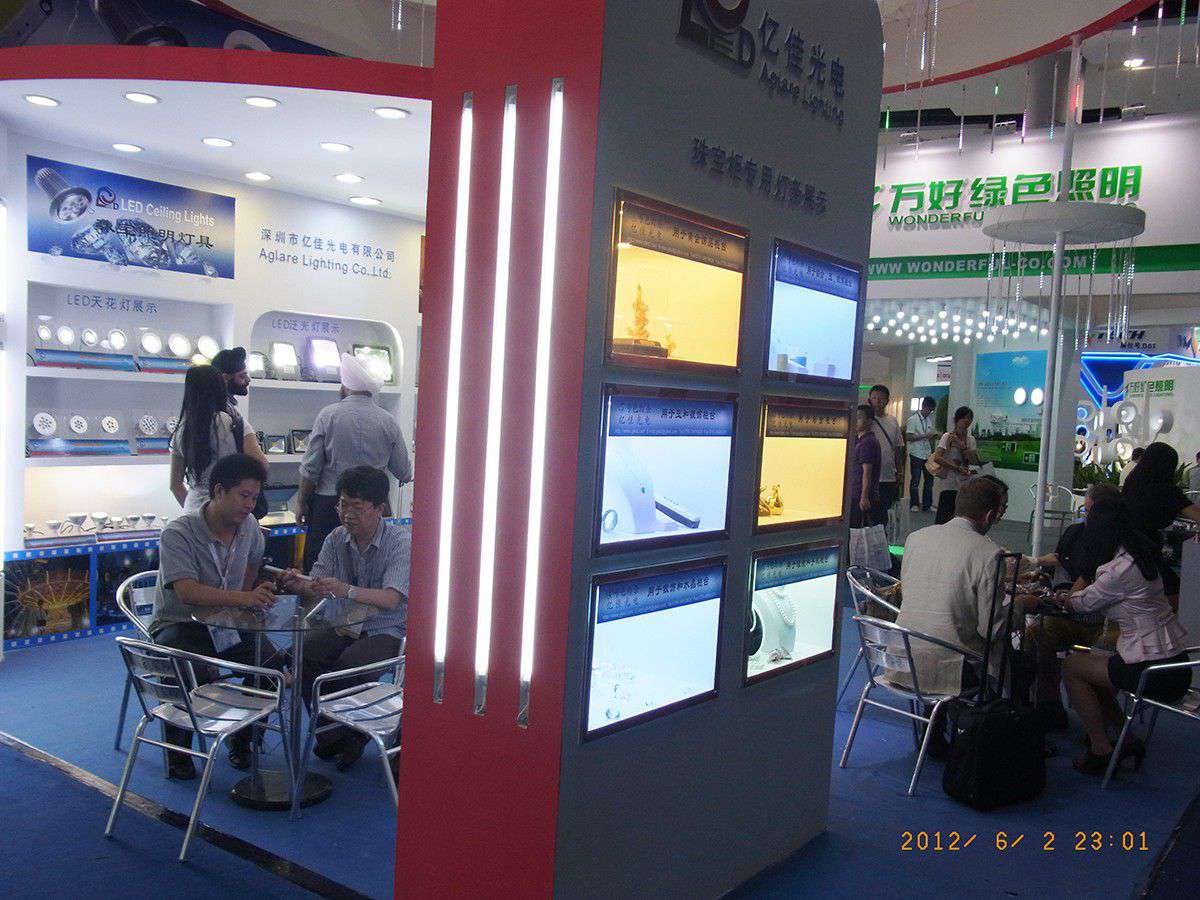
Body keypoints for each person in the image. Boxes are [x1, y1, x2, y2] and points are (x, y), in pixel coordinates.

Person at [151, 454, 277, 779]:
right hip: (180, 623)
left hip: (225, 622)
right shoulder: (178, 533)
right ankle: (179, 753)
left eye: (254, 497)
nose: (250, 505)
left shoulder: (250, 528)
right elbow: (188, 592)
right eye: (244, 495)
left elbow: (254, 561)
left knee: (272, 665)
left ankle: (242, 739)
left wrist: (249, 597)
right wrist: (244, 597)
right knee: (185, 663)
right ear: (219, 491)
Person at [279, 466, 409, 771]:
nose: (347, 515)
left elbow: (391, 599)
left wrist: (347, 590)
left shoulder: (399, 542)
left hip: (388, 629)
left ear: (379, 508)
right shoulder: (336, 538)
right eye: (342, 505)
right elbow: (318, 585)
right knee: (301, 656)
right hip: (344, 624)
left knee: (348, 666)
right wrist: (299, 583)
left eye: (357, 508)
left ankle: (352, 736)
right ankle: (334, 735)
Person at [1060, 496, 1192, 775]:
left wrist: (1063, 596)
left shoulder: (1119, 571)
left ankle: (1101, 750)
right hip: (1173, 662)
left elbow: (1081, 603)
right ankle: (1125, 740)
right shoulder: (1141, 557)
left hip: (1150, 668)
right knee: (1096, 673)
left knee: (1071, 667)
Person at [892, 477, 1024, 698]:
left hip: (901, 658)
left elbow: (908, 593)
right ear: (990, 515)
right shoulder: (990, 554)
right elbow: (991, 630)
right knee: (1006, 657)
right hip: (950, 669)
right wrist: (1021, 606)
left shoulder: (915, 539)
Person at [297, 354, 413, 571]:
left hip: (330, 504)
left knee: (321, 570)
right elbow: (404, 472)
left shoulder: (328, 415)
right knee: (372, 569)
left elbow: (310, 469)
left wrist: (301, 503)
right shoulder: (388, 421)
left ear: (345, 385)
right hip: (373, 507)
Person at [1023, 484, 1122, 730]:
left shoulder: (1121, 549)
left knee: (1100, 652)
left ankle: (1103, 726)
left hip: (1111, 621)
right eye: (1085, 512)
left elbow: (1091, 586)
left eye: (1091, 512)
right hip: (1072, 613)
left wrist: (1068, 598)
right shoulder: (1075, 532)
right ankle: (1050, 705)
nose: (1087, 518)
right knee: (1036, 634)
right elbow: (1058, 562)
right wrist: (1037, 571)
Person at [169, 364, 268, 513]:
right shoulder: (231, 421)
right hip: (228, 508)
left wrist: (197, 514)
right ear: (220, 387)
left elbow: (175, 485)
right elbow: (262, 465)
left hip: (193, 508)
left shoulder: (182, 428)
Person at [1121, 442, 1200, 601]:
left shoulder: (1132, 482)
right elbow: (1196, 514)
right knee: (1177, 591)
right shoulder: (1166, 491)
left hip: (1124, 551)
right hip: (1146, 554)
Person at [929, 405, 979, 525]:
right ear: (957, 419)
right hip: (949, 481)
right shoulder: (947, 437)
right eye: (964, 417)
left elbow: (972, 460)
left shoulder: (971, 439)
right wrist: (956, 467)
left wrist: (962, 446)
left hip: (964, 482)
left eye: (969, 418)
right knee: (944, 515)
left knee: (960, 516)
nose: (967, 420)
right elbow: (937, 458)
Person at [867, 385, 904, 518]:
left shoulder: (892, 421)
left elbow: (898, 448)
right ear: (869, 400)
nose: (877, 401)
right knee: (868, 515)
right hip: (869, 476)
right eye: (874, 398)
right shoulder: (866, 421)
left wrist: (900, 472)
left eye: (881, 398)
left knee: (884, 514)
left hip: (888, 476)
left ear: (887, 401)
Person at [849, 404, 882, 530]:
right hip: (858, 493)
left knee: (858, 529)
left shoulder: (867, 442)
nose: (855, 421)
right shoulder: (862, 440)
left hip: (859, 494)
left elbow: (867, 472)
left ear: (869, 421)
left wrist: (864, 496)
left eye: (859, 418)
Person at [904, 395, 939, 512]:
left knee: (929, 480)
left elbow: (929, 436)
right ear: (924, 406)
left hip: (927, 453)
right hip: (916, 453)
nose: (930, 412)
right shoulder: (912, 420)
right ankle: (914, 504)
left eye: (932, 410)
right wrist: (925, 436)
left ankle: (927, 505)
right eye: (930, 410)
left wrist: (934, 436)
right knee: (915, 480)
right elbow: (908, 437)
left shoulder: (929, 420)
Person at [211, 346, 253, 426]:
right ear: (225, 378)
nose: (248, 380)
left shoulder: (228, 406)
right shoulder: (220, 412)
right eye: (242, 376)